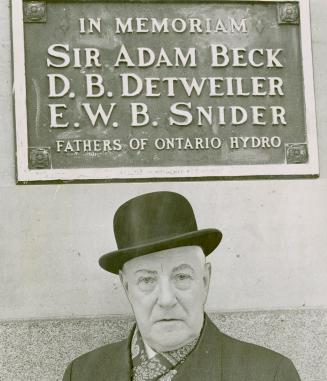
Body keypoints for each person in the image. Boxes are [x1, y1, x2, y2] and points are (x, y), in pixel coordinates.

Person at [63, 191, 301, 381]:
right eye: (147, 280)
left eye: (182, 277)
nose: (167, 299)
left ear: (205, 281)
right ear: (126, 288)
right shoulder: (82, 374)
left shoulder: (270, 374)